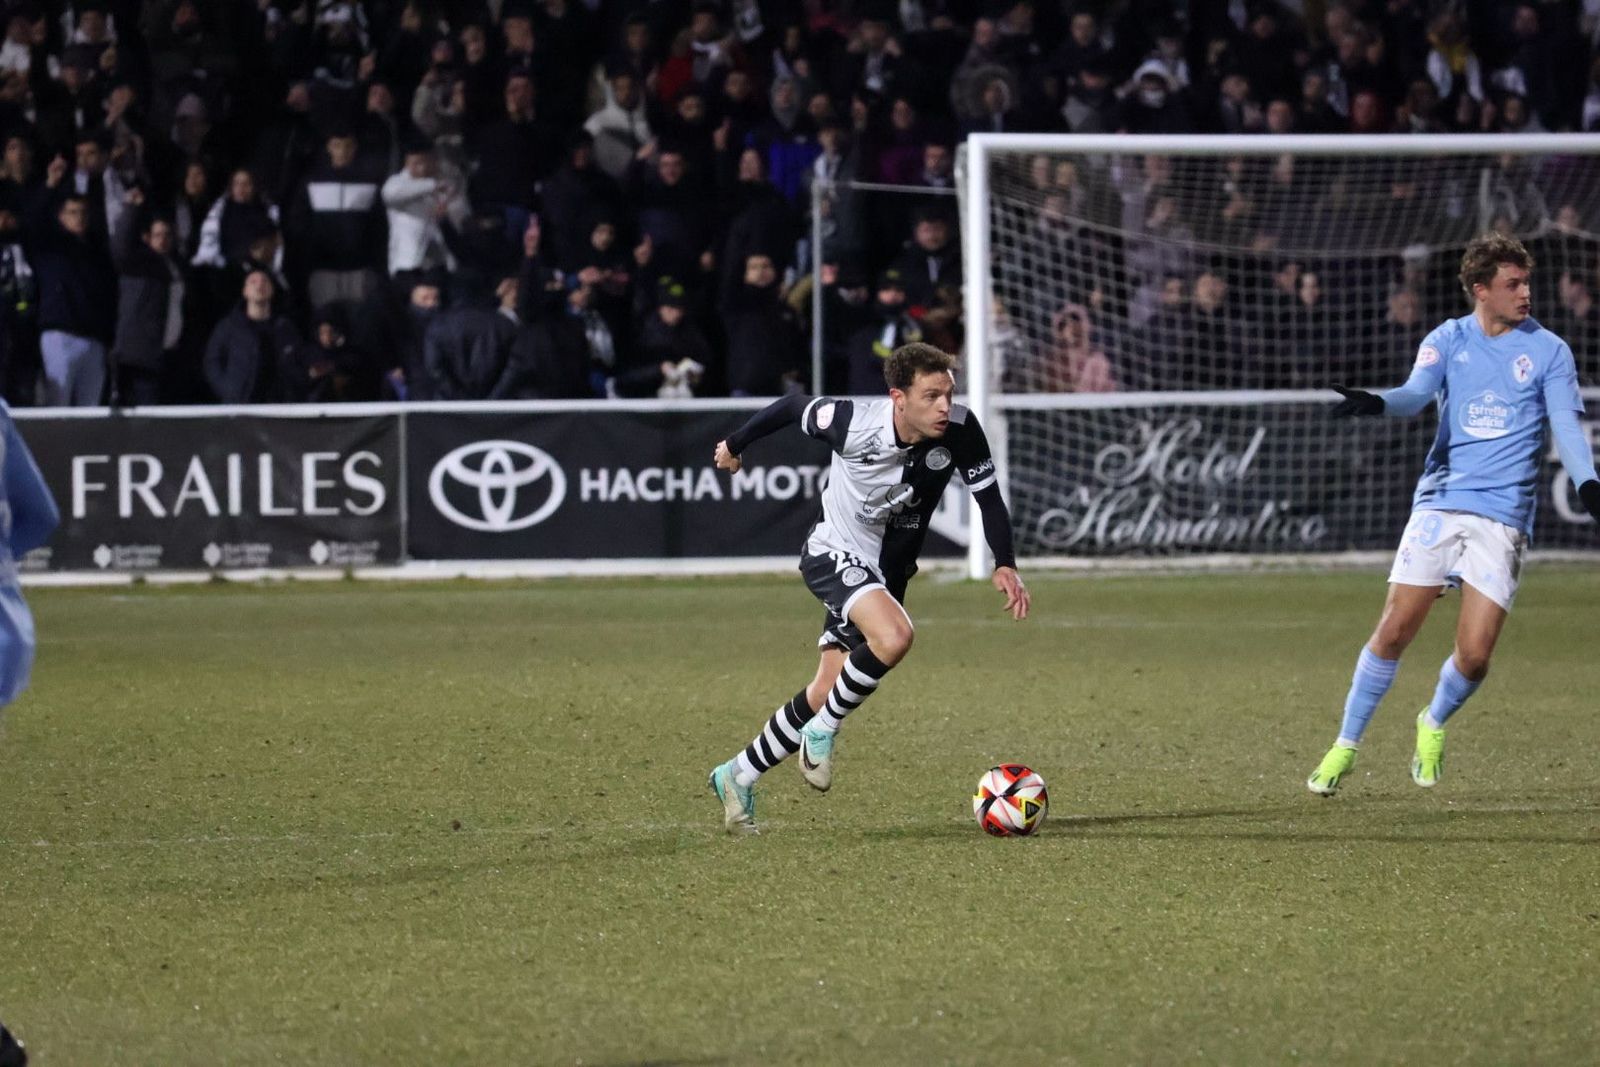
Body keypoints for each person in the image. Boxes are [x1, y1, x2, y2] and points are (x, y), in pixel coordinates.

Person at [1307, 233, 1600, 796]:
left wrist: (1589, 484)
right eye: (1513, 284)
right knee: (1393, 631)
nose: (1526, 293)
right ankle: (1345, 745)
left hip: (1503, 516)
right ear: (1479, 289)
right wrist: (1378, 401)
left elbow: (1566, 426)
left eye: (1527, 282)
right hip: (1441, 501)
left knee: (1475, 656)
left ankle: (1432, 721)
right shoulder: (1448, 339)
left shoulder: (1550, 352)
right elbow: (1415, 395)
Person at [706, 342, 1031, 834]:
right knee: (895, 637)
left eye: (948, 393)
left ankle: (736, 775)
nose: (944, 406)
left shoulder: (961, 430)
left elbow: (989, 498)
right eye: (931, 396)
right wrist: (735, 445)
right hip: (833, 552)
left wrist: (1004, 563)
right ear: (898, 398)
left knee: (824, 688)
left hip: (889, 572)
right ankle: (824, 729)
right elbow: (793, 407)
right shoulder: (853, 422)